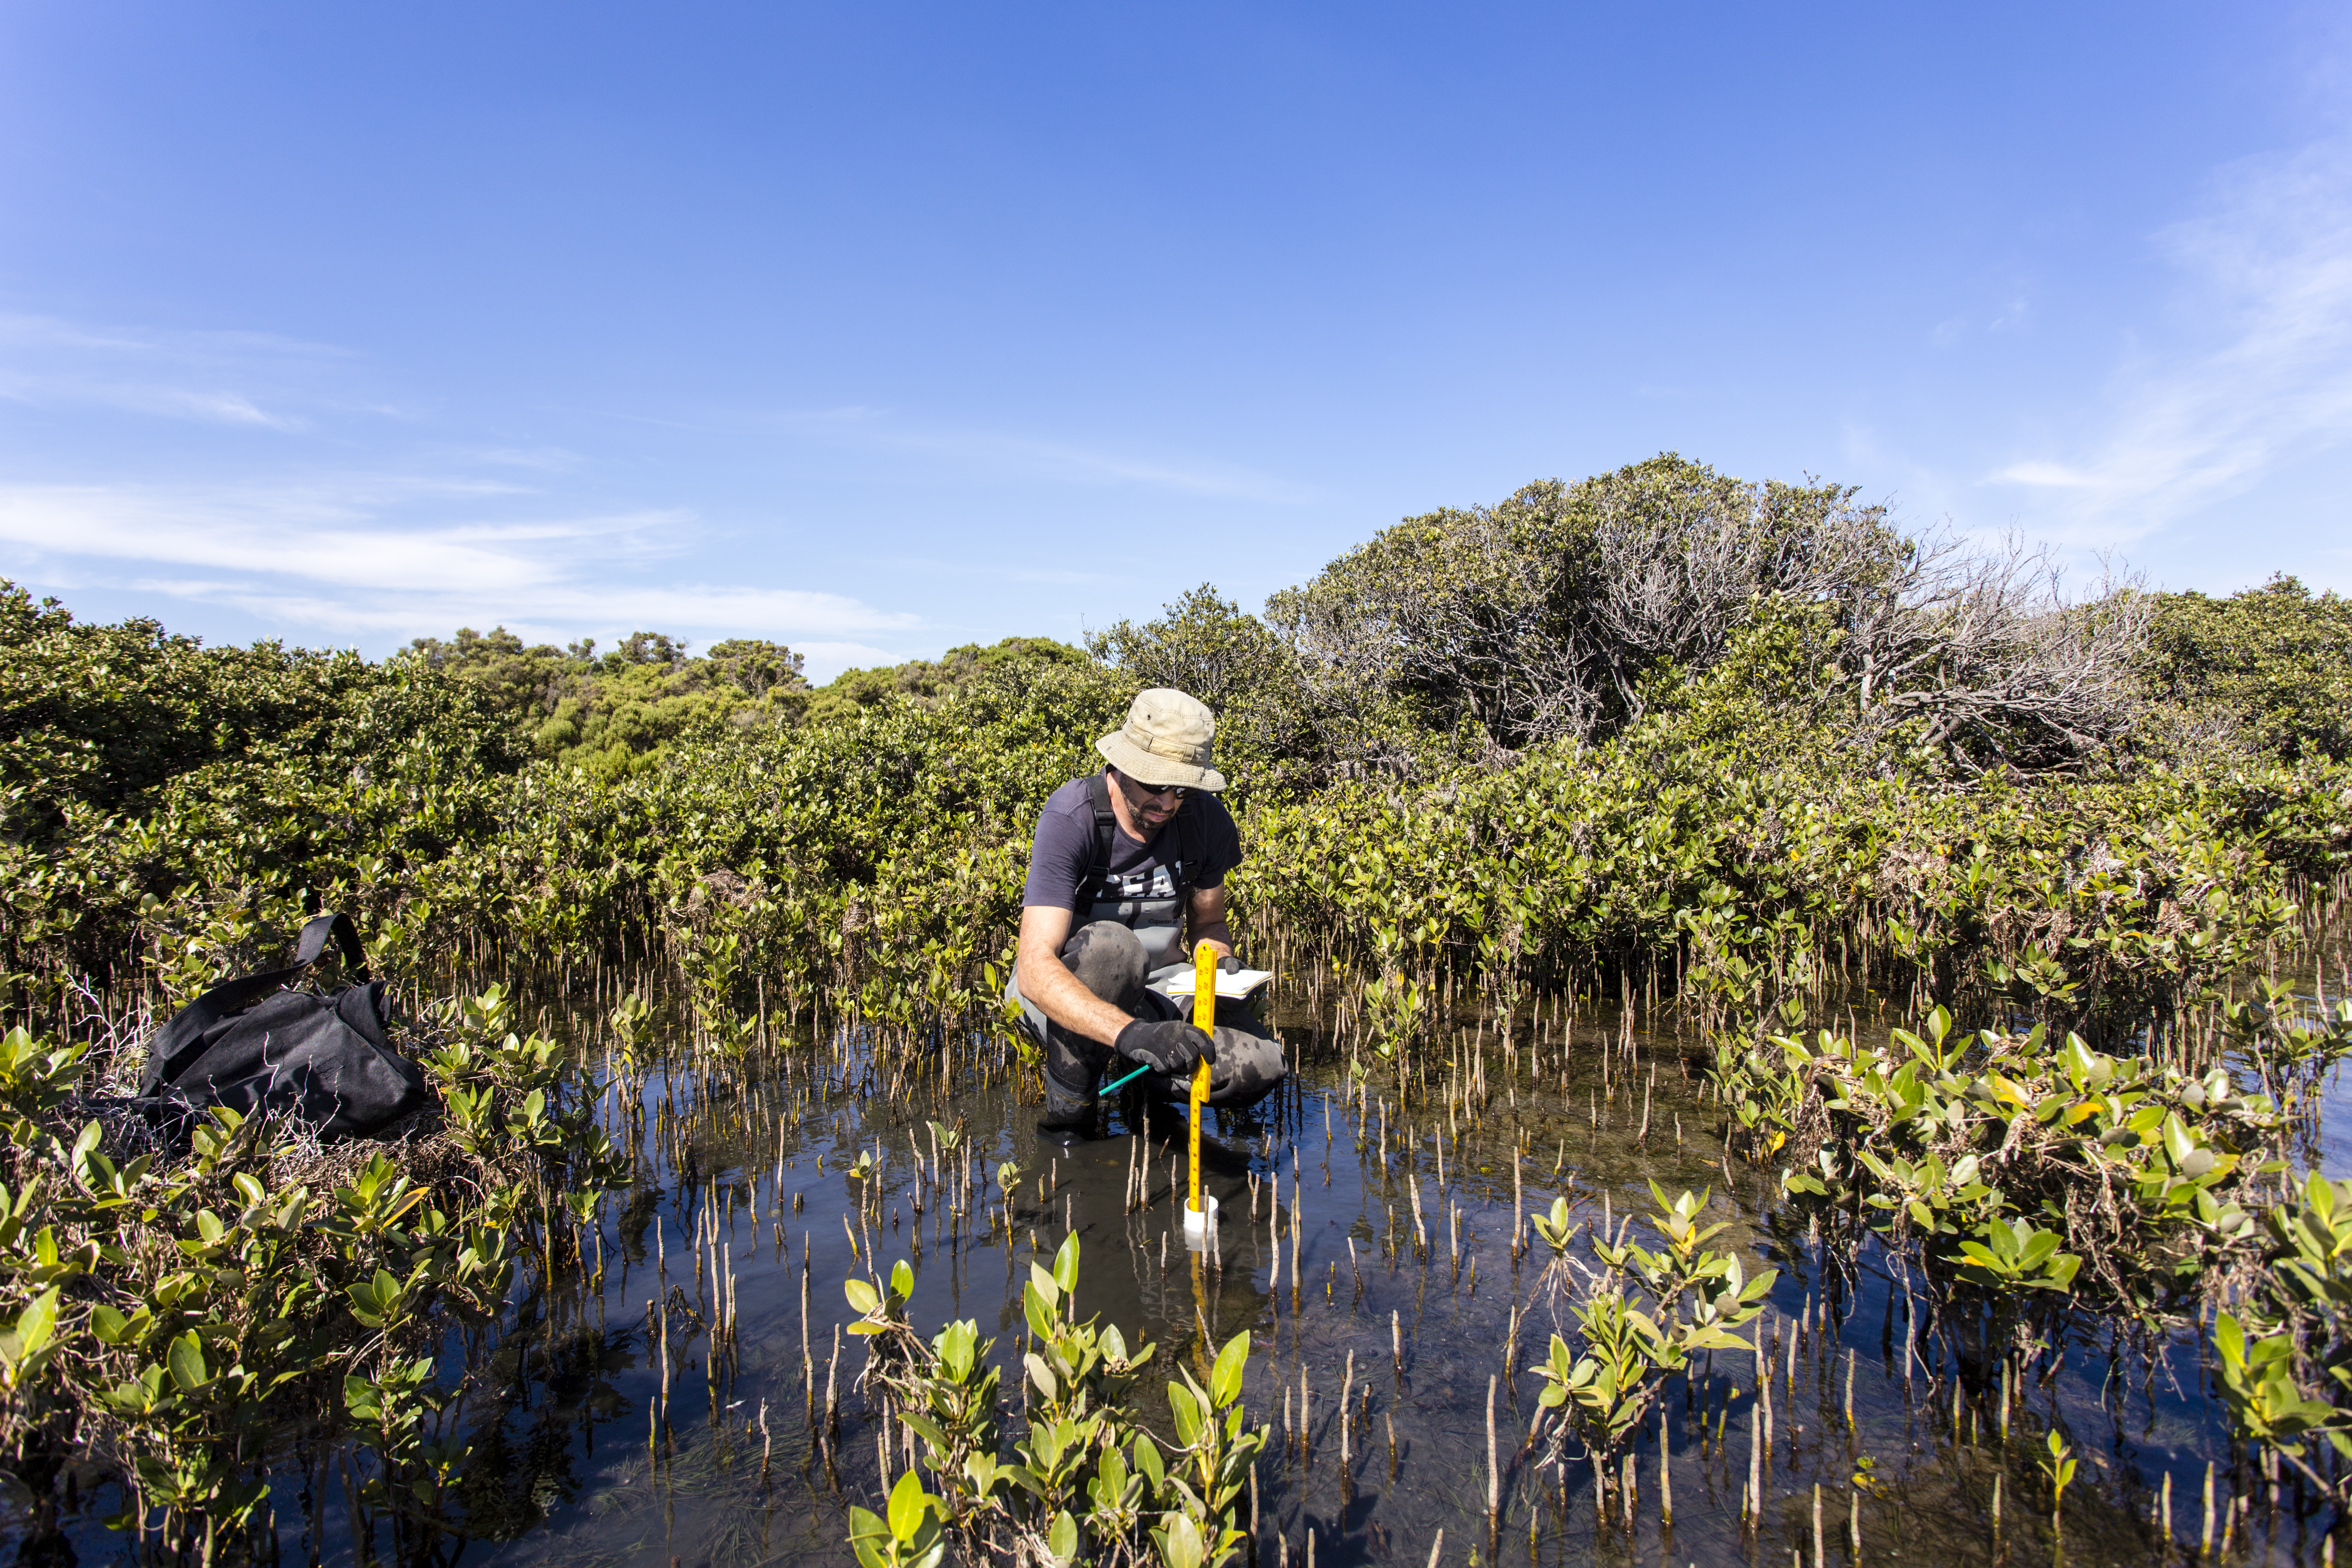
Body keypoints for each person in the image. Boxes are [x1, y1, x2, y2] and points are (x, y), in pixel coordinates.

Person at [1009, 687, 1287, 1137]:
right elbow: (1035, 968)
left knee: (1260, 1064)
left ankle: (1145, 1086)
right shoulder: (1073, 816)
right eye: (1156, 786)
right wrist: (1132, 1034)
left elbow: (1210, 924)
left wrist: (1217, 966)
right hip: (1070, 993)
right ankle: (1069, 1116)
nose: (1168, 804)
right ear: (1122, 767)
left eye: (1182, 789)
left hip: (1160, 991)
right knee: (1113, 951)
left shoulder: (1203, 821)